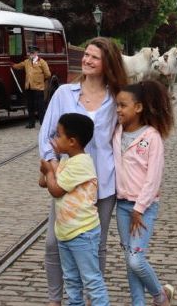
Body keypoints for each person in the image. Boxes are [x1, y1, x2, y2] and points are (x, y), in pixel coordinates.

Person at [38, 36, 128, 306]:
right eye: (86, 55)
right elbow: (46, 137)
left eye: (94, 57)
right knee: (54, 243)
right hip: (66, 184)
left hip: (103, 183)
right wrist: (56, 171)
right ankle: (55, 301)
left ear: (107, 63)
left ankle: (92, 301)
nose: (87, 60)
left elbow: (128, 137)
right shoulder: (64, 93)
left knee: (95, 245)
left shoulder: (117, 99)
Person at [113, 80, 175, 306]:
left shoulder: (152, 137)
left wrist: (139, 208)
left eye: (123, 105)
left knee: (136, 261)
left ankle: (160, 296)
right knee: (129, 260)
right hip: (122, 206)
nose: (118, 110)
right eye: (117, 105)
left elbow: (153, 178)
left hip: (144, 208)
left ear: (138, 108)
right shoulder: (117, 132)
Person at [39, 113, 110, 306]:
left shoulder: (81, 163)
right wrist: (46, 168)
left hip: (82, 233)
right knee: (71, 280)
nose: (54, 139)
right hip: (66, 232)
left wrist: (48, 171)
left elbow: (55, 190)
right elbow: (44, 183)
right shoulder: (66, 160)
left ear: (71, 141)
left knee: (92, 281)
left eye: (58, 135)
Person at [13, 44, 51, 128]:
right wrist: (11, 64)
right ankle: (31, 123)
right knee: (30, 106)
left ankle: (43, 123)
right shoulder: (26, 62)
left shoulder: (42, 62)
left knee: (40, 106)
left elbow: (48, 74)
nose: (31, 54)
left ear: (37, 53)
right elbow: (18, 66)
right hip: (29, 87)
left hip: (38, 87)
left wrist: (40, 80)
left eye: (33, 52)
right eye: (30, 53)